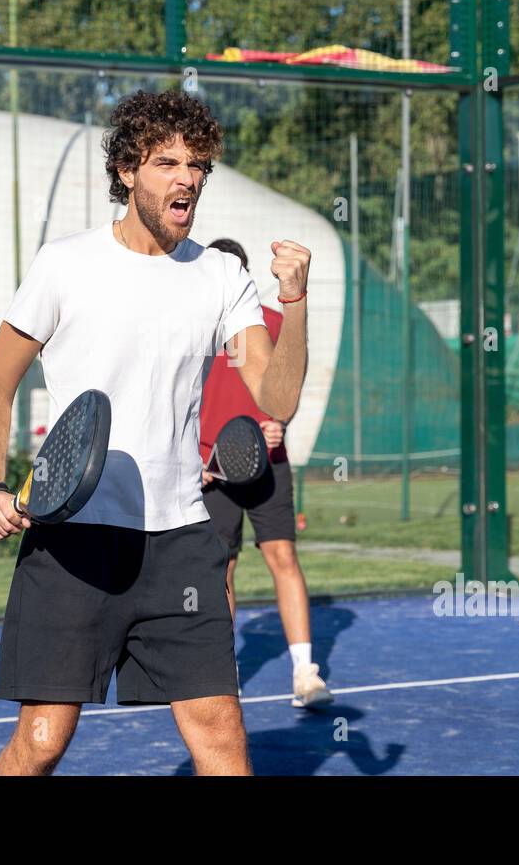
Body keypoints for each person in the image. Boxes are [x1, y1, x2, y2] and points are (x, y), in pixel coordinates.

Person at [0, 90, 312, 776]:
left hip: (183, 541)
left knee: (220, 734)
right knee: (41, 743)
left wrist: (294, 302)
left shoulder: (222, 276)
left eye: (197, 166)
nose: (186, 178)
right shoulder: (64, 265)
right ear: (128, 171)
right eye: (166, 162)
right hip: (75, 542)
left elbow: (277, 397)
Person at [199, 239, 333, 710]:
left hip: (268, 467)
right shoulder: (192, 329)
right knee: (222, 570)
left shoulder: (270, 324)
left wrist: (281, 422)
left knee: (283, 557)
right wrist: (193, 459)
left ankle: (305, 673)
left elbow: (288, 386)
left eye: (233, 269)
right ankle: (223, 674)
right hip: (210, 475)